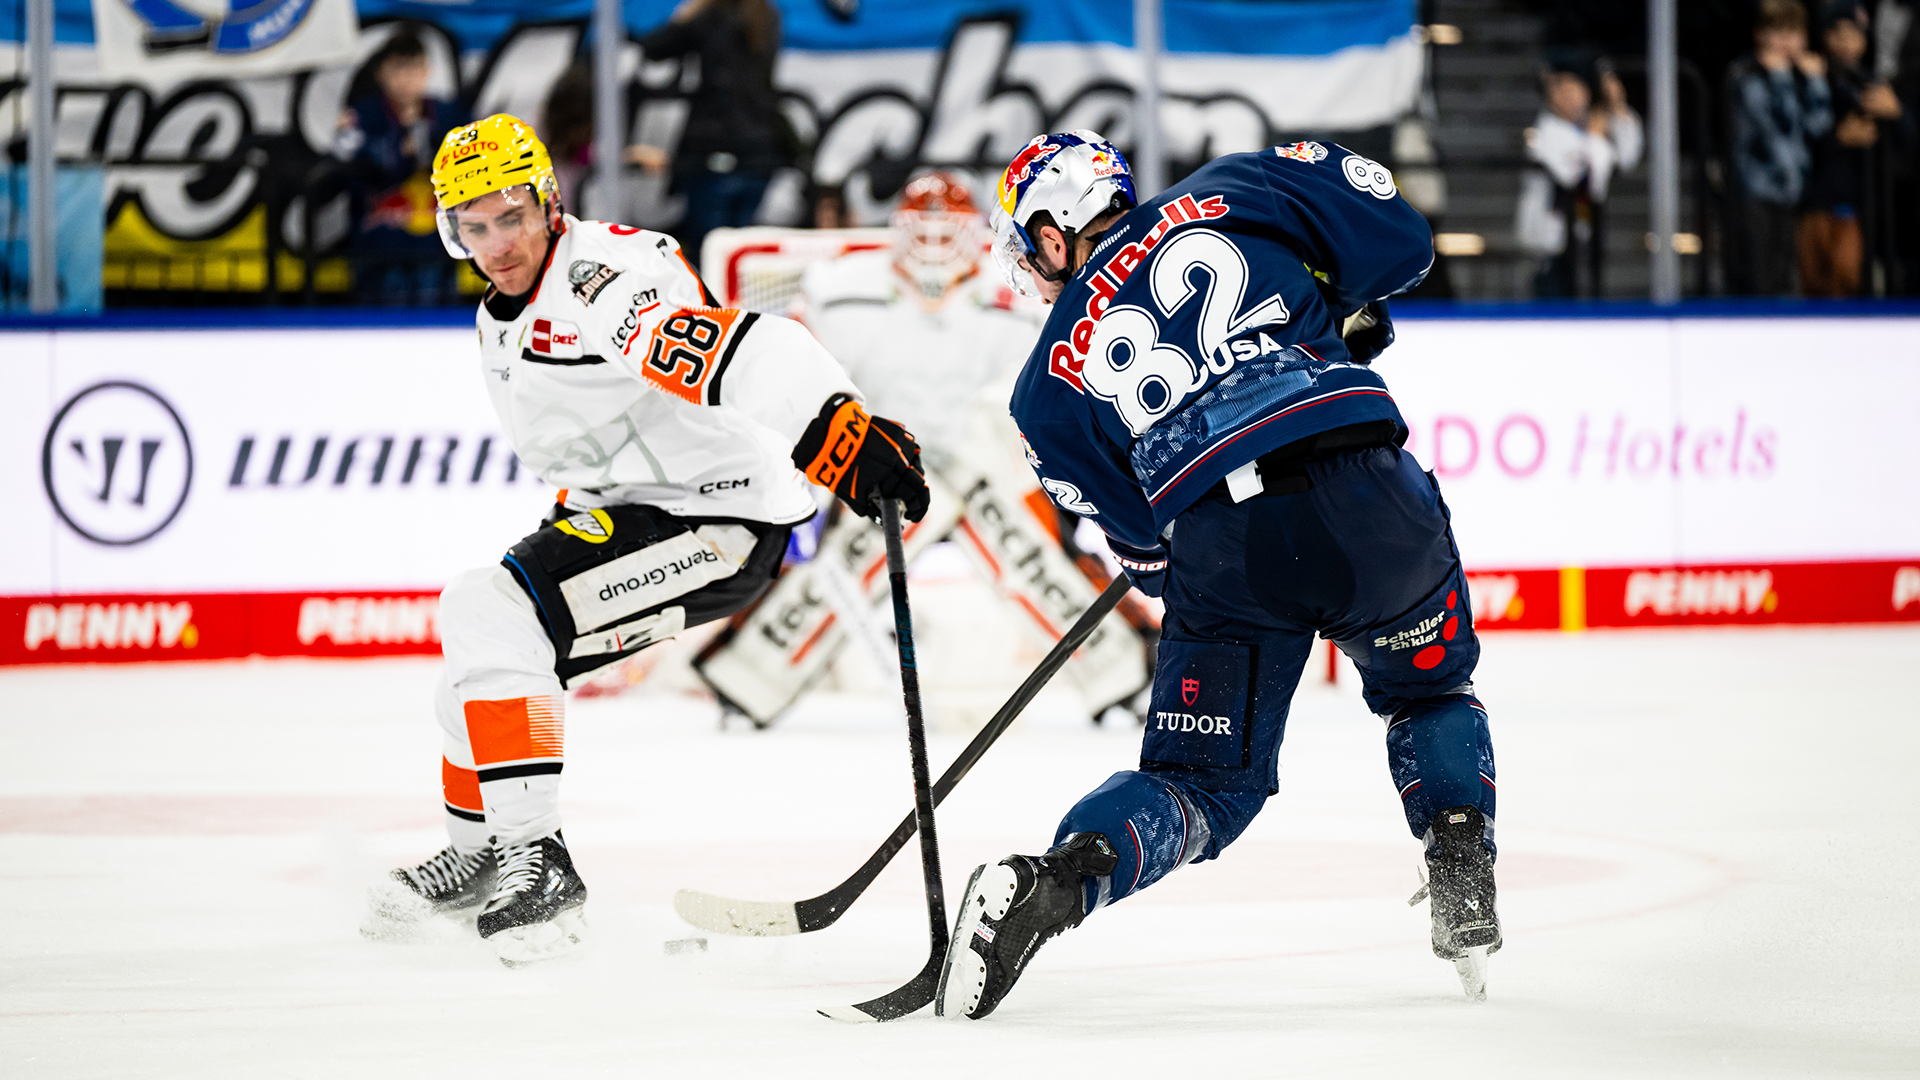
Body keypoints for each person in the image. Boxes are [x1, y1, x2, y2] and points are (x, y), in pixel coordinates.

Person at [935, 132, 1499, 1019]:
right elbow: (1402, 244)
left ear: (1051, 234)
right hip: (1372, 492)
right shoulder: (1237, 183)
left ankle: (1055, 880)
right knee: (1429, 692)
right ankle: (1461, 855)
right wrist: (1333, 303)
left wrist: (1213, 553)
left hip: (1229, 546)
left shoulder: (1042, 392)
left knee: (1200, 786)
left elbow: (1149, 559)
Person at [365, 114, 928, 965]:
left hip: (720, 521)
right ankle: (481, 856)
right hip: (644, 508)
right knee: (476, 657)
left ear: (549, 204)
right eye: (472, 227)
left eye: (511, 216)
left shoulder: (603, 282)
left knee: (489, 611)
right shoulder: (504, 307)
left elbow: (746, 349)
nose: (497, 244)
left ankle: (536, 864)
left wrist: (836, 430)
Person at [692, 173, 1152, 727]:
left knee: (1034, 557)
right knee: (843, 561)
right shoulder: (841, 289)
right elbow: (801, 369)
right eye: (922, 228)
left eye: (948, 229)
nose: (934, 243)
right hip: (888, 465)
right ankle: (747, 680)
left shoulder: (1022, 292)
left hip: (987, 468)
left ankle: (1126, 673)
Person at [632, 0, 792, 264]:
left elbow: (653, 47)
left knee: (709, 258)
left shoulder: (710, 17)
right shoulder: (768, 15)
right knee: (738, 258)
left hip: (713, 152)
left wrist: (685, 15)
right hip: (761, 151)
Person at [335, 30, 469, 303]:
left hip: (437, 243)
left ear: (426, 71)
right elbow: (348, 168)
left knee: (437, 307)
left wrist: (428, 147)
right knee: (385, 307)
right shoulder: (364, 115)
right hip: (381, 244)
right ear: (381, 72)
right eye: (398, 69)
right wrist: (393, 149)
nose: (406, 78)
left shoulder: (449, 115)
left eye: (414, 68)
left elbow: (468, 168)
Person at [1516, 50, 1643, 298]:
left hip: (1584, 238)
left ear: (1586, 89)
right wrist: (1596, 135)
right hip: (1549, 247)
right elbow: (1575, 174)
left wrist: (1617, 106)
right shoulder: (1545, 131)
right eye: (1555, 86)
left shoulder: (1590, 126)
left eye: (1571, 84)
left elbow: (1627, 155)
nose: (1563, 94)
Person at [1728, 0, 1835, 295]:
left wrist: (1816, 82)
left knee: (1785, 280)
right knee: (1759, 281)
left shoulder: (1801, 78)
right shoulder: (1747, 74)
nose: (1786, 41)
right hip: (1757, 192)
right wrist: (1781, 78)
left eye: (1794, 32)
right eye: (1778, 31)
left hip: (1793, 192)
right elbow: (1779, 125)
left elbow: (1818, 126)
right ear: (1760, 35)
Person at [1802, 1, 1908, 295]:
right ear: (1824, 36)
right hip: (1816, 201)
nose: (1845, 42)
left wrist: (1897, 113)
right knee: (1816, 285)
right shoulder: (1813, 77)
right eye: (1837, 33)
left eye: (1854, 34)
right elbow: (1800, 140)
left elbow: (1906, 141)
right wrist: (1839, 139)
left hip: (1865, 204)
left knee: (1850, 282)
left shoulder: (1873, 82)